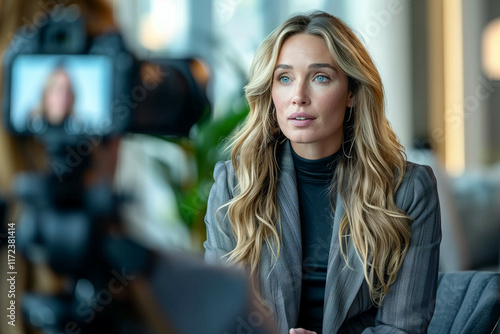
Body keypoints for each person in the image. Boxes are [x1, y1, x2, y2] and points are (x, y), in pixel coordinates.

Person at [204, 11, 441, 334]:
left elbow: (403, 327)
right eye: (284, 78)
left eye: (320, 78)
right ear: (270, 92)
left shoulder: (409, 189)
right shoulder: (235, 184)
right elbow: (217, 316)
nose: (298, 97)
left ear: (353, 93)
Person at [28, 66, 81, 133]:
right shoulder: (29, 129)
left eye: (67, 91)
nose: (63, 96)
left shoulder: (78, 131)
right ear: (46, 93)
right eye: (58, 89)